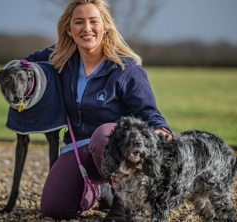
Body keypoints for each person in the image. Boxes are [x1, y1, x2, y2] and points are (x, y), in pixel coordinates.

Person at [24, 0, 172, 221]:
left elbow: (148, 110)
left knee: (105, 134)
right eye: (79, 22)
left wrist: (161, 128)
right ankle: (103, 189)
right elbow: (27, 63)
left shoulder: (125, 68)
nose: (87, 28)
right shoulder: (63, 58)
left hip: (116, 148)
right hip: (79, 148)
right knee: (54, 209)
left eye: (94, 21)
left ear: (105, 27)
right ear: (69, 29)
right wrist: (14, 71)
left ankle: (127, 203)